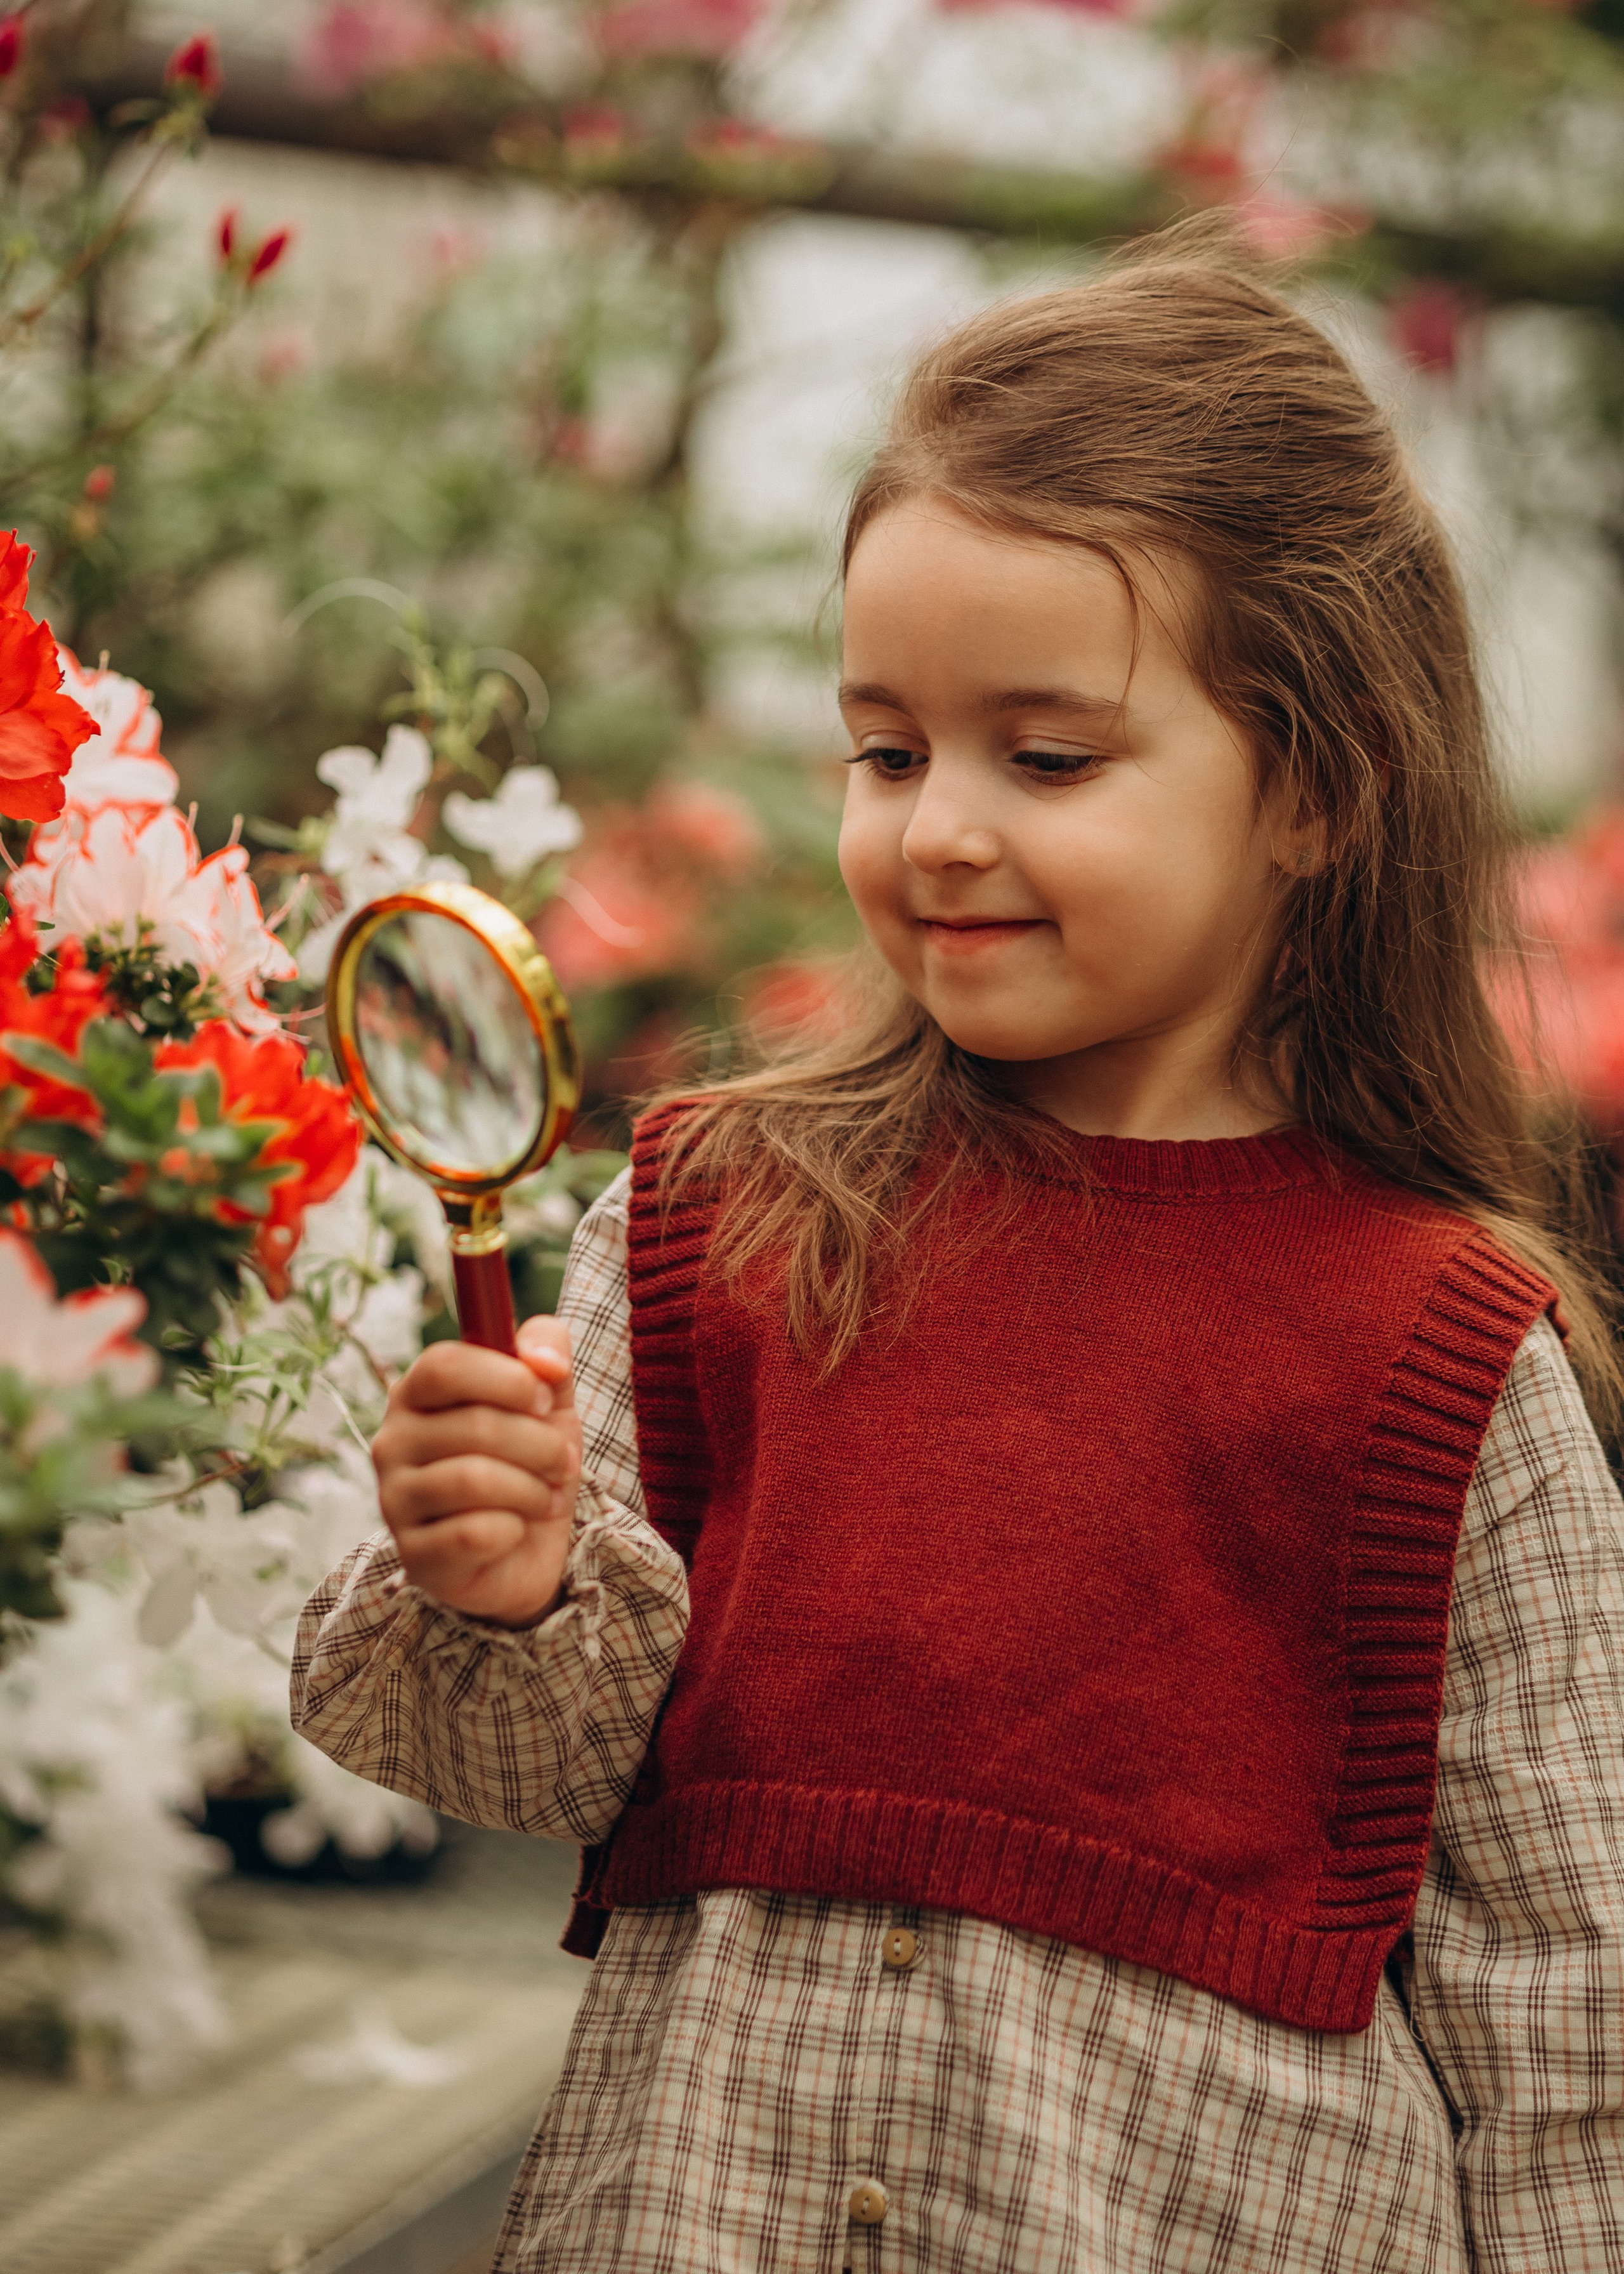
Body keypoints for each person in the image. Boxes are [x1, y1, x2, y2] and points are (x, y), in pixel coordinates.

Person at [292, 232, 1624, 2274]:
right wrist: (508, 1589)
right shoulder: (716, 1228)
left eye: (1050, 756)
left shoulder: (1444, 1351)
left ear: (1320, 787)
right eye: (888, 748)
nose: (936, 831)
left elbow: (1569, 2028)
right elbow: (539, 1767)